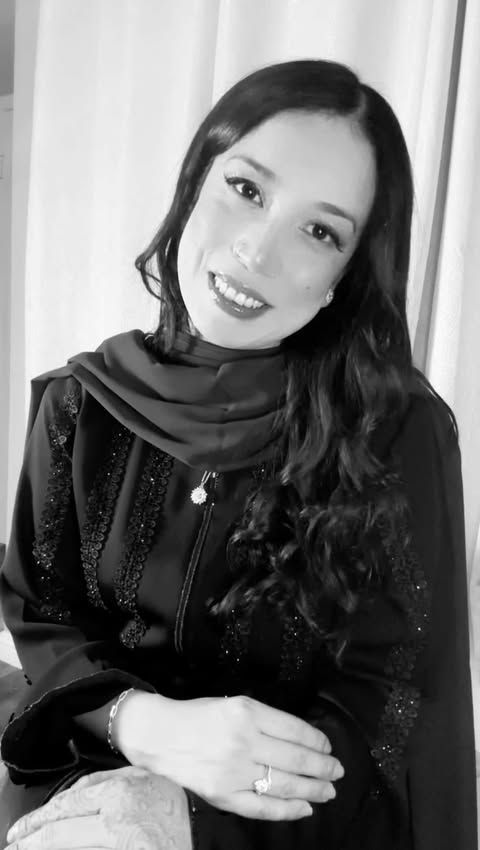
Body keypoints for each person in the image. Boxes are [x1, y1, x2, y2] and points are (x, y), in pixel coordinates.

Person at [0, 58, 477, 850]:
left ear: (342, 279)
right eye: (246, 189)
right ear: (194, 184)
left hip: (291, 828)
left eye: (318, 231)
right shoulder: (77, 405)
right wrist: (141, 725)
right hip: (93, 779)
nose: (258, 251)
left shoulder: (398, 435)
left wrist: (193, 815)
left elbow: (393, 710)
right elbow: (42, 617)